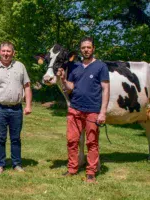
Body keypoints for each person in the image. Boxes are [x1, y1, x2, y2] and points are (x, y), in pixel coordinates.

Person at [57, 37, 110, 183]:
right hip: (75, 109)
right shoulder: (75, 67)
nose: (86, 50)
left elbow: (106, 89)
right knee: (72, 140)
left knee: (92, 142)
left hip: (93, 110)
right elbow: (71, 87)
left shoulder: (101, 66)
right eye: (83, 48)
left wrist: (103, 112)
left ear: (93, 48)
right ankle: (72, 168)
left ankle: (91, 172)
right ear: (80, 50)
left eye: (88, 47)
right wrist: (62, 79)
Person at [0, 41, 32, 175]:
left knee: (16, 138)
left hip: (16, 109)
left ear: (13, 53)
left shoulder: (20, 66)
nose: (6, 54)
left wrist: (28, 105)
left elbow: (27, 86)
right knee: (0, 138)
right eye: (3, 51)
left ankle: (17, 164)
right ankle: (0, 165)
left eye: (8, 51)